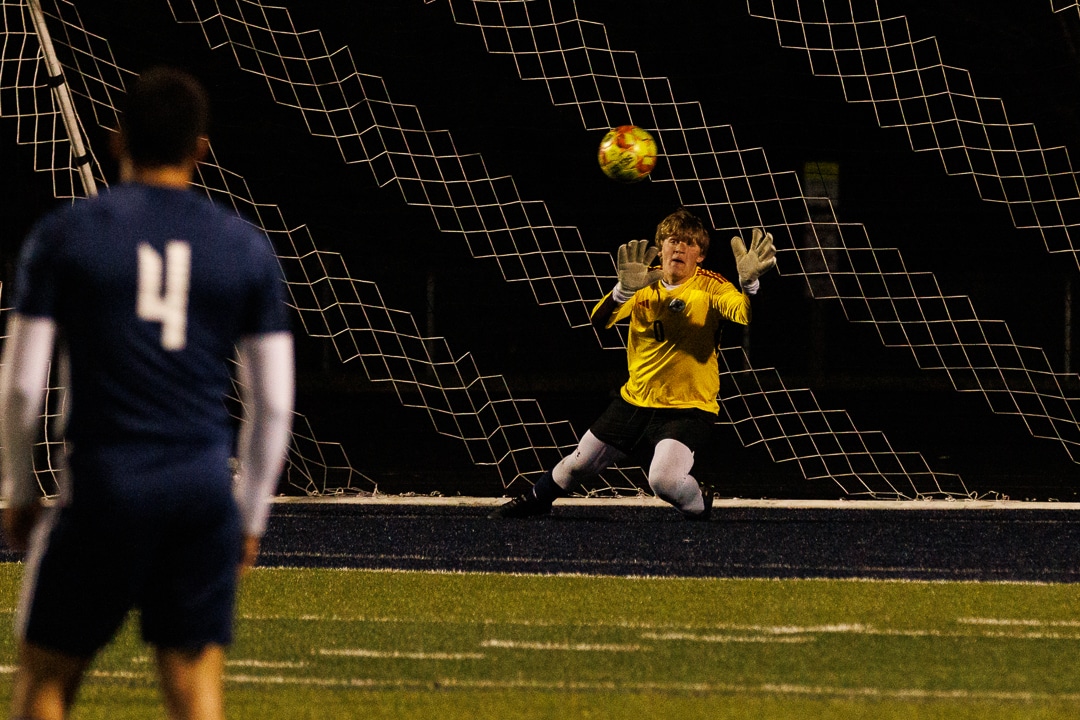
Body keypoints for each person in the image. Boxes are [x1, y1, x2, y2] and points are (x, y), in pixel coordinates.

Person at [0, 67, 294, 720]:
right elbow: (274, 403)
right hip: (199, 493)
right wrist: (249, 517)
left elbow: (21, 386)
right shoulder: (244, 248)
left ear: (118, 139)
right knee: (195, 692)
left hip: (104, 487)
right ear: (201, 149)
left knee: (46, 678)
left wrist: (20, 493)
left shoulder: (65, 235)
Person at [490, 207, 774, 520]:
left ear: (701, 255)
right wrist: (622, 291)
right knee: (578, 465)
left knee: (663, 481)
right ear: (661, 248)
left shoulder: (712, 286)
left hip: (688, 407)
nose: (679, 248)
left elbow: (745, 314)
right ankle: (535, 500)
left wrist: (750, 285)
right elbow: (598, 321)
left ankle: (699, 502)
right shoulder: (642, 280)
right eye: (672, 240)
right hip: (635, 400)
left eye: (689, 243)